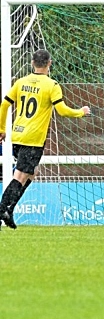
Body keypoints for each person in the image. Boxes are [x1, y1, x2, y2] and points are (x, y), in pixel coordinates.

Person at [0, 49, 91, 229]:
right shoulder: (51, 85)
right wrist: (81, 112)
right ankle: (2, 209)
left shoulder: (21, 82)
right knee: (20, 175)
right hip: (33, 138)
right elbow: (63, 110)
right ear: (49, 63)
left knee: (32, 173)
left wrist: (2, 128)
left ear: (32, 62)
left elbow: (4, 104)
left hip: (18, 134)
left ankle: (8, 211)